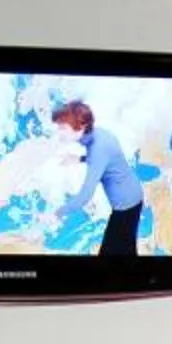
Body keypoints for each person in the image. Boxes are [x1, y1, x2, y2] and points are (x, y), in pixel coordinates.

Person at [51, 98, 144, 258]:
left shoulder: (98, 148)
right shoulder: (97, 134)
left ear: (81, 126)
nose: (59, 132)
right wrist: (79, 159)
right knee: (126, 249)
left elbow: (84, 196)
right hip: (132, 197)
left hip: (126, 206)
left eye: (63, 127)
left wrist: (57, 213)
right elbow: (106, 159)